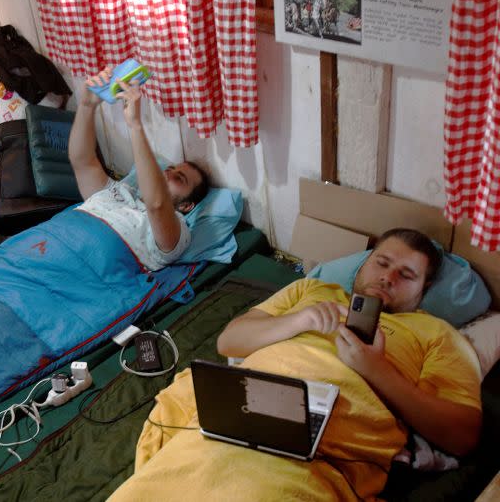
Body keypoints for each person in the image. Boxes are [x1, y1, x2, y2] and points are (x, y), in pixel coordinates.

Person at [109, 228, 483, 500]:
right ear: (364, 264)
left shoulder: (435, 333)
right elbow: (229, 341)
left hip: (321, 452)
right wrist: (298, 321)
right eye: (381, 263)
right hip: (235, 417)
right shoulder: (312, 290)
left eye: (407, 275)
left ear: (424, 291)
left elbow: (463, 436)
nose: (388, 277)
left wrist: (376, 370)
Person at [68, 68, 209, 271]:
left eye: (179, 178)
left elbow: (157, 203)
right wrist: (87, 104)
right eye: (169, 169)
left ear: (187, 206)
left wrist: (134, 124)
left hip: (82, 265)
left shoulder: (178, 231)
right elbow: (82, 161)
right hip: (56, 237)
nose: (168, 173)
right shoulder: (118, 192)